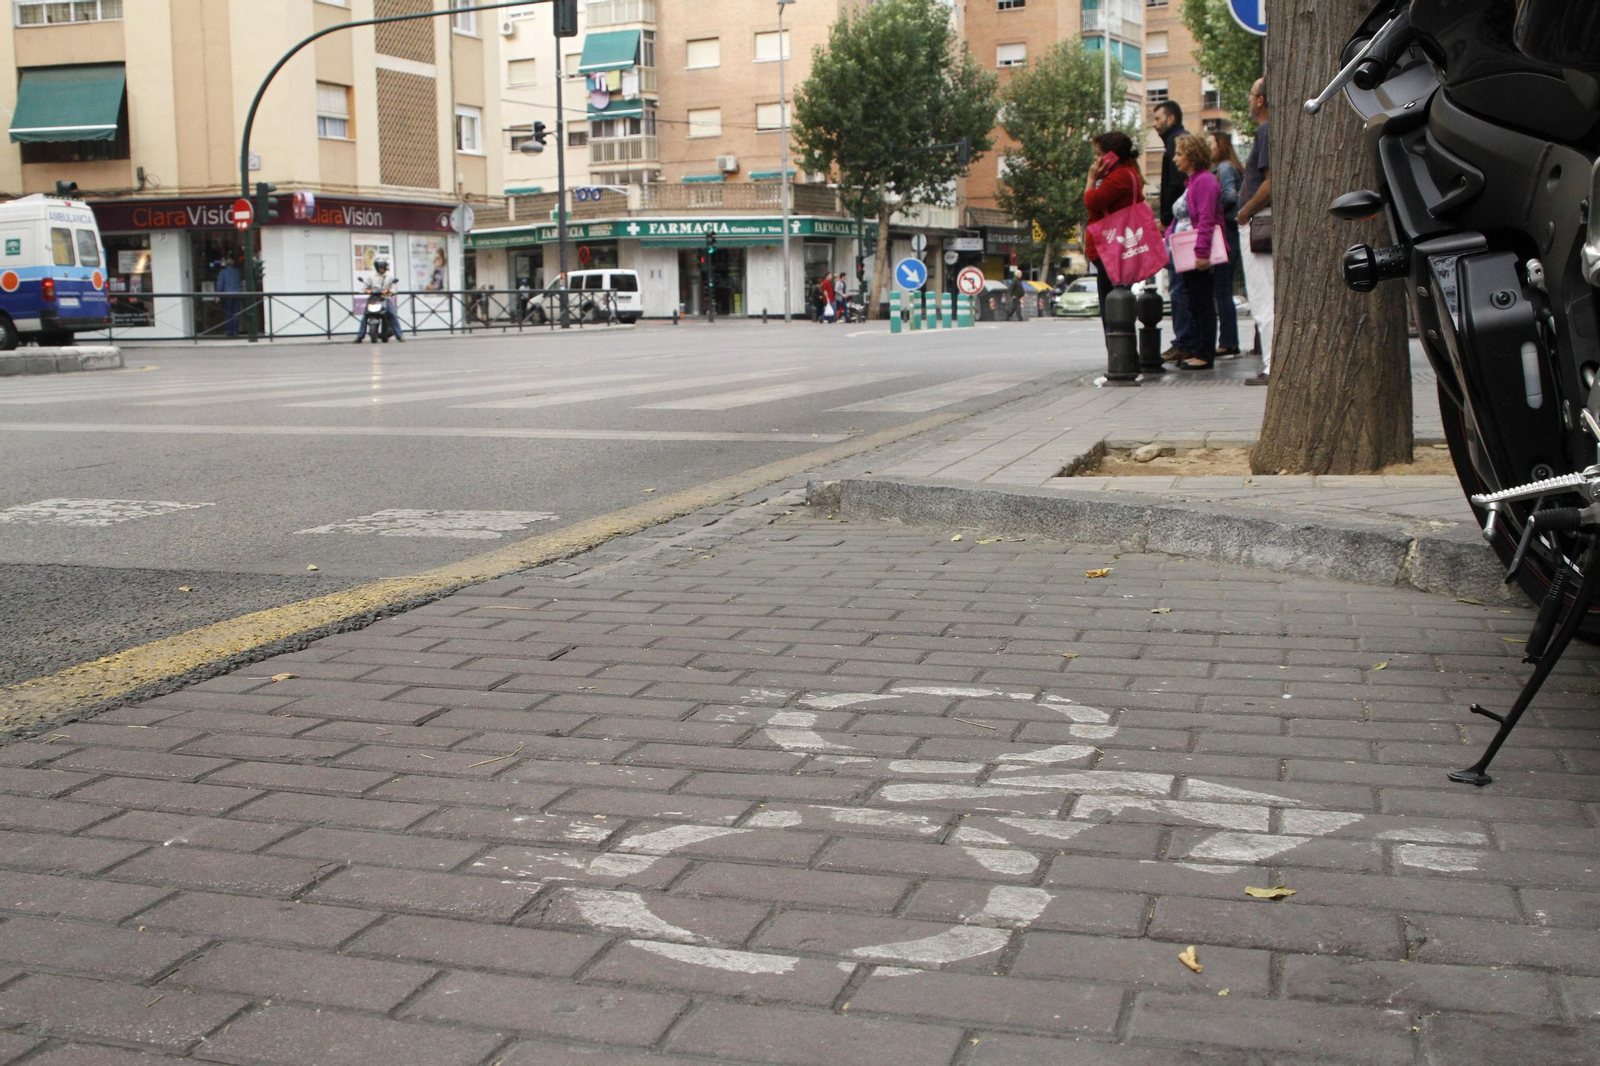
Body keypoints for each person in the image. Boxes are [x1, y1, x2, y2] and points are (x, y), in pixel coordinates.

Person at [1166, 133, 1221, 370]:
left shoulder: (1205, 181)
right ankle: (1199, 350)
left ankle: (1204, 353)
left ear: (1192, 155)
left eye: (1180, 154)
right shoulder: (1194, 182)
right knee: (1194, 302)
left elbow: (1206, 219)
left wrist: (1201, 253)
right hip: (1186, 254)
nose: (1175, 159)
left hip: (1197, 253)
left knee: (1202, 303)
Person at [1082, 129, 1144, 321]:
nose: (1096, 159)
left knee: (1112, 307)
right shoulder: (1127, 173)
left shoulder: (1119, 177)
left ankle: (1119, 350)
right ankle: (1122, 348)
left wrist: (1091, 179)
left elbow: (1091, 202)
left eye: (1099, 154)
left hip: (1110, 248)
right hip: (1114, 246)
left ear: (1111, 156)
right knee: (1115, 303)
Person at [1236, 77, 1274, 386]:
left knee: (1263, 295)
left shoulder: (1265, 130)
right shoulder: (1270, 130)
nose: (1249, 99)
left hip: (1259, 221)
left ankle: (1271, 364)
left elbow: (1269, 183)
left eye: (1251, 94)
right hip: (1261, 218)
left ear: (1260, 99)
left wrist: (1245, 211)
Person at [1152, 99, 1192, 359]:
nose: (1154, 124)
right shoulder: (1174, 142)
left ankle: (1184, 341)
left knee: (1180, 287)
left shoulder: (1176, 143)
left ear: (1171, 118)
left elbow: (1174, 187)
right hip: (1176, 222)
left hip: (1180, 224)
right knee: (1181, 286)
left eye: (1157, 119)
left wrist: (1166, 217)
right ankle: (1185, 340)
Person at [1210, 130, 1245, 357]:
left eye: (1211, 143)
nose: (1208, 147)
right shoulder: (1229, 166)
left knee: (1221, 290)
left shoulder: (1223, 168)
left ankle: (1228, 341)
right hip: (1233, 233)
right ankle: (1228, 339)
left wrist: (1211, 207)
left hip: (1227, 234)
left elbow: (1230, 195)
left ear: (1220, 145)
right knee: (1223, 289)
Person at [355, 257, 404, 342]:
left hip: (385, 298)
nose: (381, 269)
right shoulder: (371, 277)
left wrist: (390, 291)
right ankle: (360, 336)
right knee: (365, 316)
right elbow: (365, 287)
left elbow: (393, 288)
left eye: (382, 267)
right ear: (376, 267)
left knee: (392, 314)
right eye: (379, 267)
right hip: (373, 299)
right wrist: (366, 290)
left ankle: (399, 335)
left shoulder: (389, 277)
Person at [214, 256, 242, 338]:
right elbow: (239, 282)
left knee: (228, 313)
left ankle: (229, 331)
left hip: (227, 295)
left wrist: (217, 294)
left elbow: (220, 284)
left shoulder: (222, 272)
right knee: (236, 313)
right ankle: (235, 331)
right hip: (237, 294)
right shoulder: (237, 272)